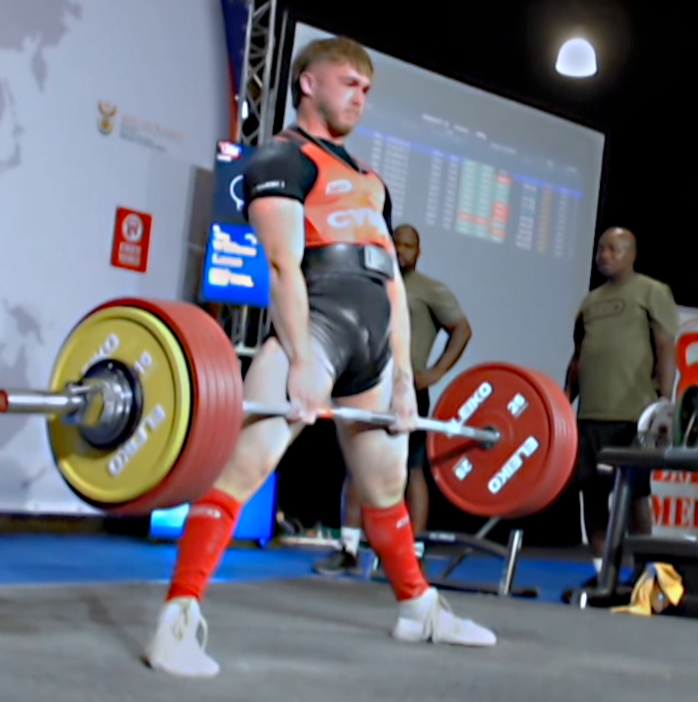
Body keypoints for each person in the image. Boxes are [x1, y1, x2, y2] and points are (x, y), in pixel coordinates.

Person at [143, 36, 496, 679]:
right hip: (319, 326)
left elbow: (391, 279)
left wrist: (403, 384)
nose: (360, 95)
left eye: (367, 88)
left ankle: (417, 608)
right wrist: (303, 359)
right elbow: (282, 263)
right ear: (308, 83)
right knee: (243, 470)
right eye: (348, 82)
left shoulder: (369, 180)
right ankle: (178, 617)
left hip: (373, 346)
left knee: (385, 487)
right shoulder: (282, 156)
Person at [314, 224, 473, 575]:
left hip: (408, 390)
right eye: (396, 243)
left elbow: (462, 329)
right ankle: (349, 548)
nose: (401, 250)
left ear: (418, 252)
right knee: (357, 467)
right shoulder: (372, 282)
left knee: (413, 470)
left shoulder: (430, 289)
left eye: (408, 246)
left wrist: (434, 372)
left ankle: (411, 552)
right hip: (366, 385)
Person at [562, 227, 678, 601]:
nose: (604, 254)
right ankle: (602, 575)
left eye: (613, 249)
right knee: (592, 498)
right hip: (589, 416)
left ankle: (647, 575)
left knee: (635, 495)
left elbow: (665, 347)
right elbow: (579, 357)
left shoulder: (652, 292)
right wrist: (566, 400)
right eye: (600, 248)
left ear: (631, 254)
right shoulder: (589, 302)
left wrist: (664, 400)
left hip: (635, 415)